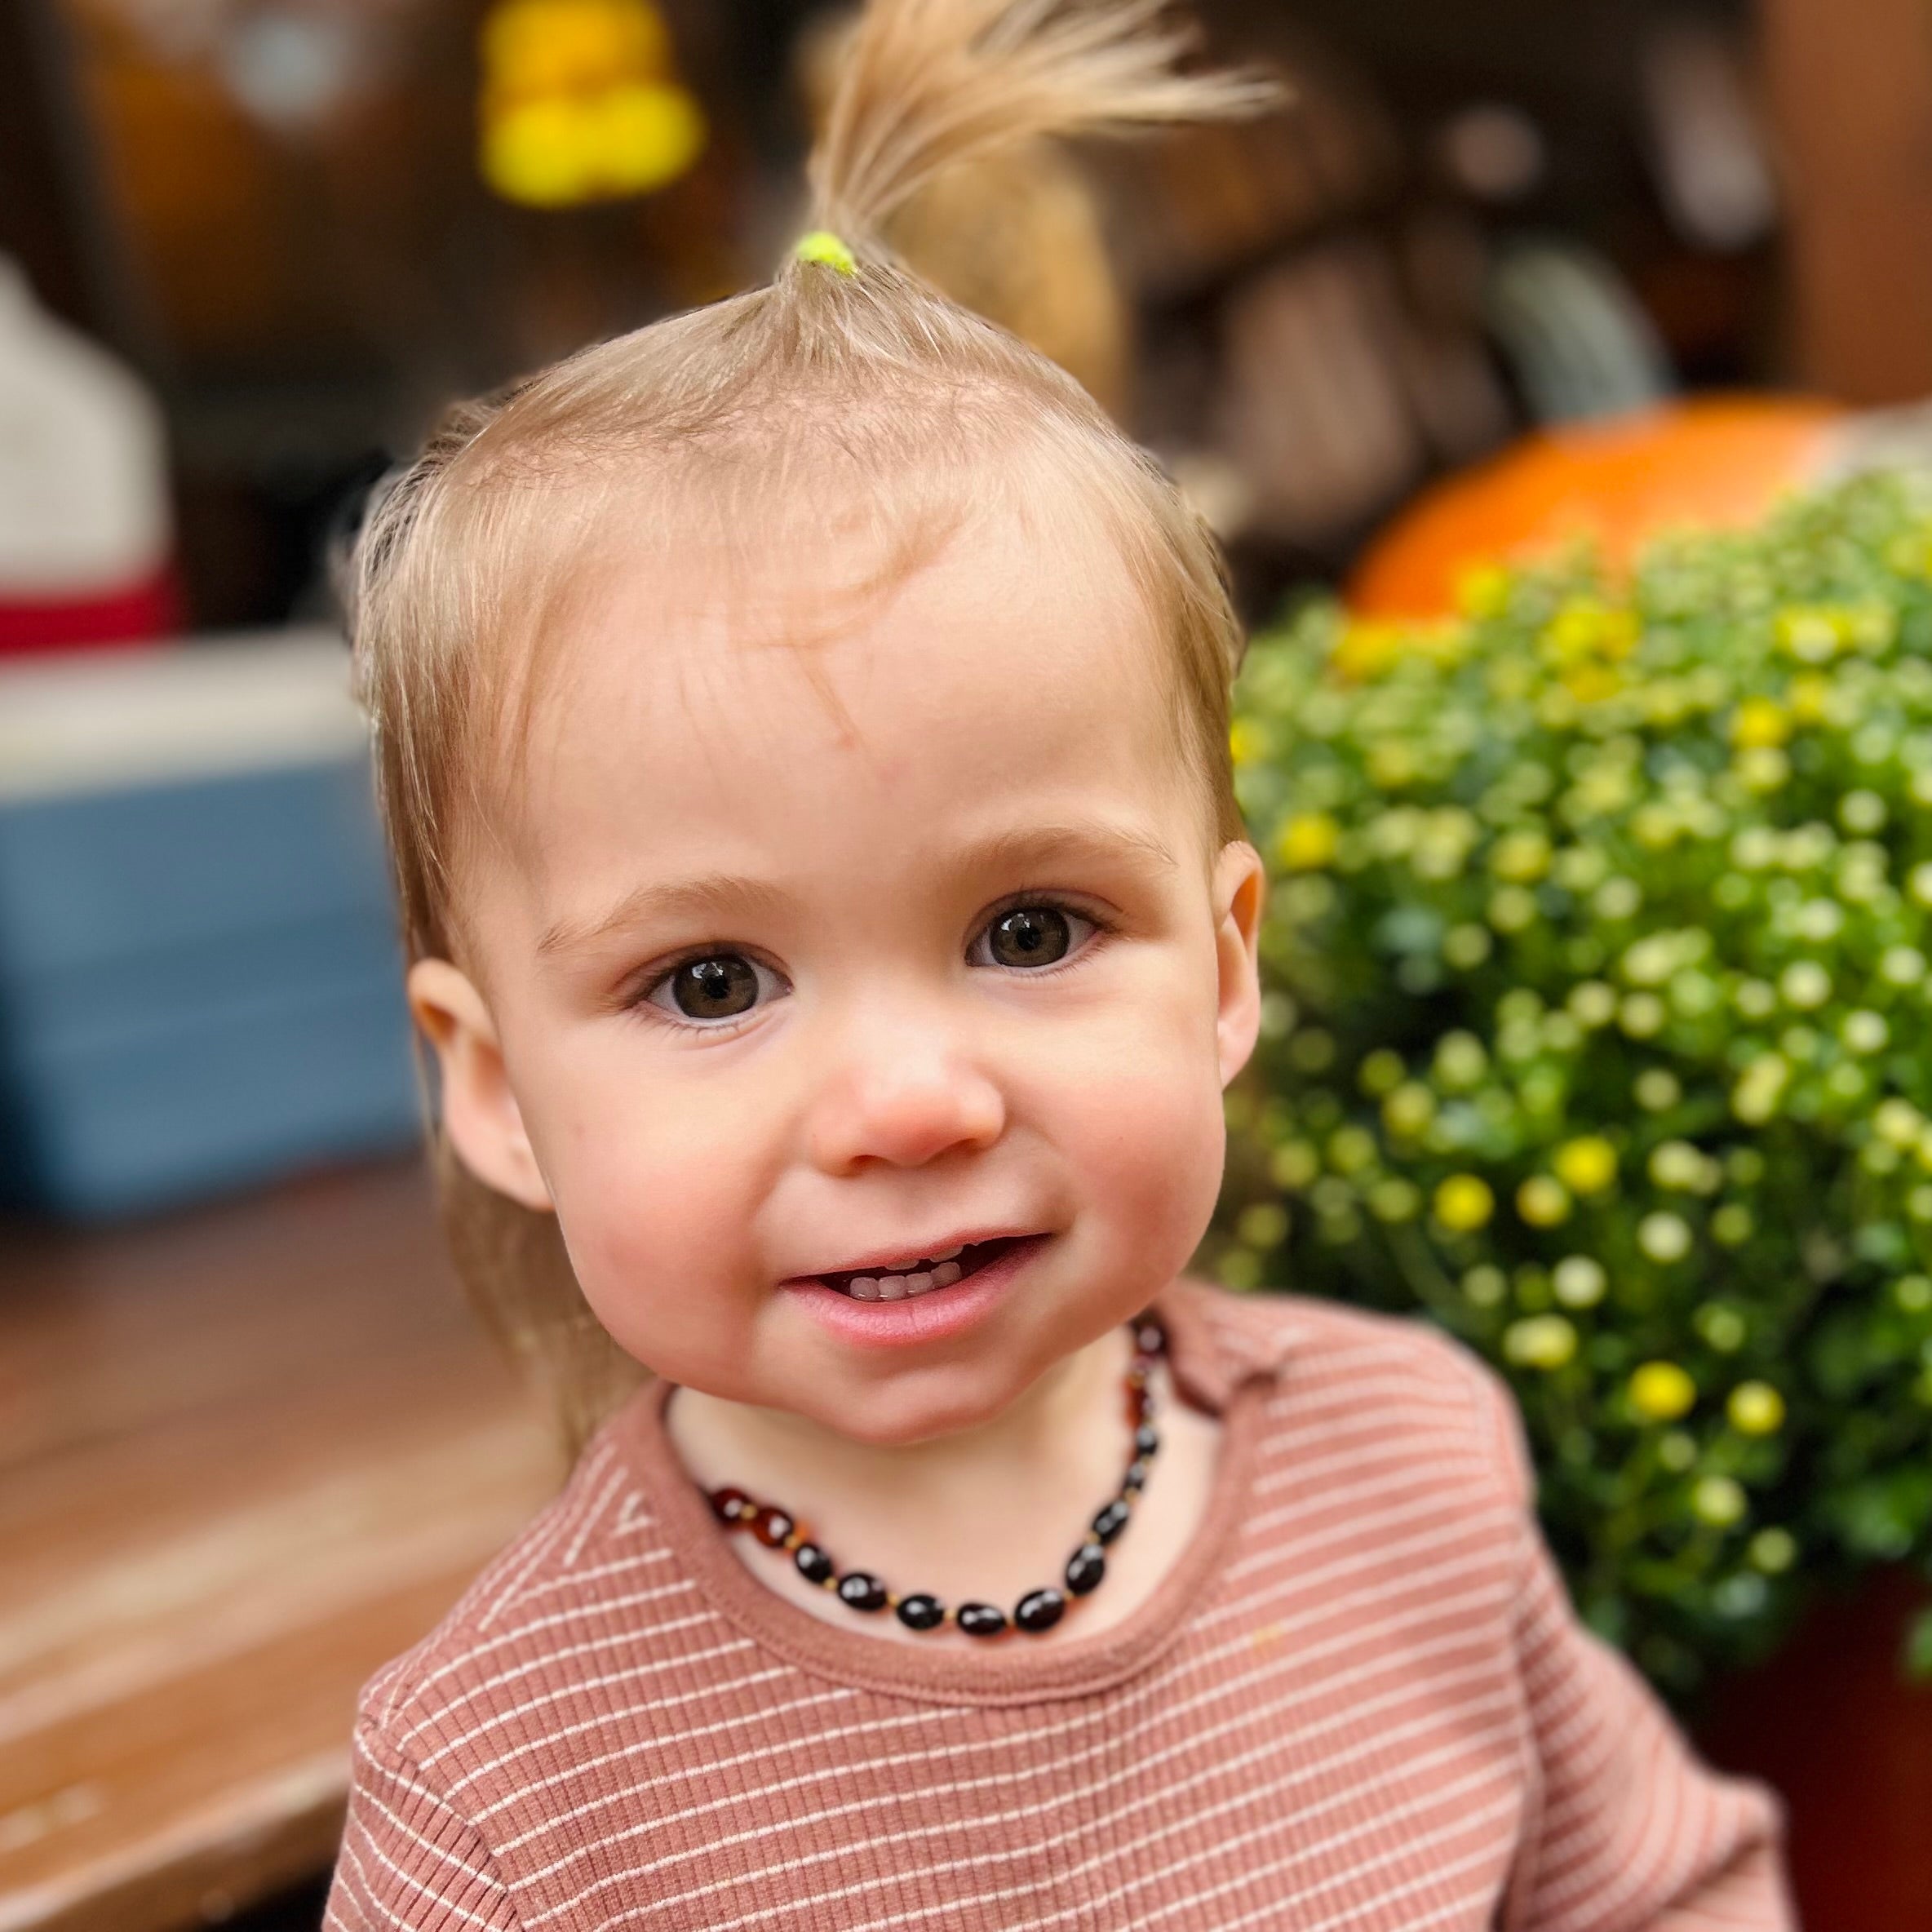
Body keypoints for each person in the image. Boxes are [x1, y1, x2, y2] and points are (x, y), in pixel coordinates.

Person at [325, 2, 1792, 1925]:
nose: (913, 1100)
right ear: (499, 1085)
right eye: (708, 981)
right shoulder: (514, 1780)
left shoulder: (1398, 1466)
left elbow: (1655, 1884)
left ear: (1216, 963)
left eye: (1029, 929)